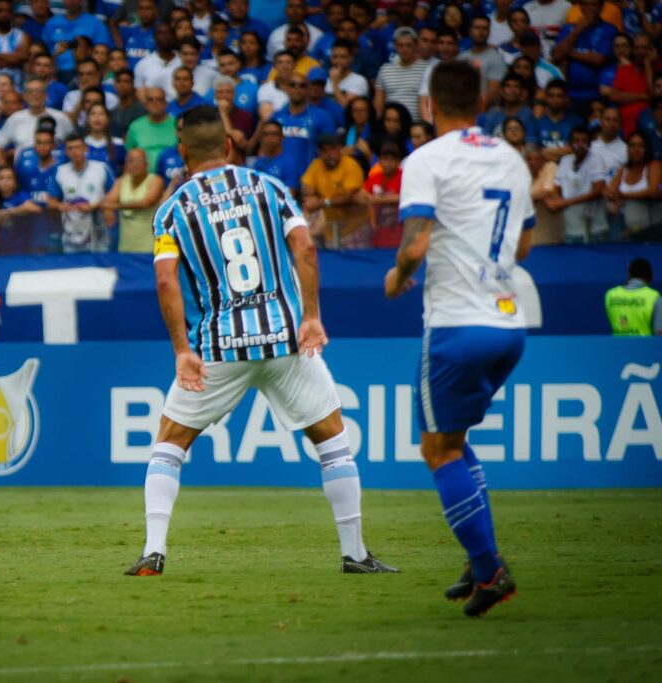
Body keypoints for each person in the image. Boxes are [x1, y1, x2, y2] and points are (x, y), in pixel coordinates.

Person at [126, 104, 397, 578]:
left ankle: (154, 550)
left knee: (169, 444)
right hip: (285, 341)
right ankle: (354, 553)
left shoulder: (172, 210)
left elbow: (166, 281)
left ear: (182, 151)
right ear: (230, 145)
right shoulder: (269, 189)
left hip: (216, 348)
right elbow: (306, 247)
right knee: (332, 440)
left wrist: (181, 350)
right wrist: (312, 317)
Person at [386, 60, 535, 617]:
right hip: (508, 323)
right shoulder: (511, 158)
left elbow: (415, 246)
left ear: (427, 105)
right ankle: (480, 561)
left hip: (455, 324)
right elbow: (522, 249)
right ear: (485, 99)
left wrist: (397, 277)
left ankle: (491, 568)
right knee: (455, 439)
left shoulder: (425, 159)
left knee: (437, 449)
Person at [46, 133, 116, 252]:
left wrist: (95, 206)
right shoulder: (60, 172)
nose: (74, 151)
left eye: (78, 147)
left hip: (98, 228)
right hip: (71, 231)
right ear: (66, 152)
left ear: (85, 148)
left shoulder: (101, 168)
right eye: (70, 148)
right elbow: (51, 201)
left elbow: (114, 196)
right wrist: (61, 206)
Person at [546, 126, 608, 242]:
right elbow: (556, 186)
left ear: (589, 144)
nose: (580, 145)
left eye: (584, 141)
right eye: (576, 141)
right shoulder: (565, 160)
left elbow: (598, 190)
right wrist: (556, 200)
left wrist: (566, 202)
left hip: (593, 225)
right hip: (571, 224)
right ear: (570, 143)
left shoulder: (596, 159)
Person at [101, 147, 164, 253]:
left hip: (150, 246)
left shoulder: (155, 180)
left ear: (146, 164)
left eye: (139, 160)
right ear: (126, 164)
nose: (135, 164)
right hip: (126, 246)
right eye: (131, 160)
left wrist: (115, 206)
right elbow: (107, 202)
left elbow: (146, 202)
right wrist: (107, 210)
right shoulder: (121, 181)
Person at [605, 257, 662, 335]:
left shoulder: (610, 295)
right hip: (644, 346)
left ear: (629, 273)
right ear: (651, 276)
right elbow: (659, 332)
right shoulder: (655, 297)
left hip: (616, 346)